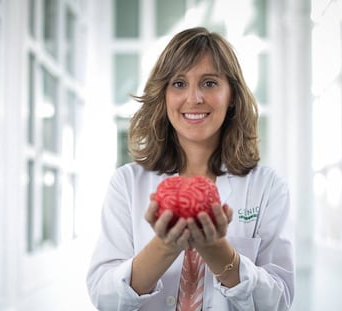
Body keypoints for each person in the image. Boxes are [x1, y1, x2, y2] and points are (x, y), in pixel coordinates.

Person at [86, 27, 294, 311]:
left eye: (209, 83)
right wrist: (164, 246)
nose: (194, 98)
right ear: (164, 94)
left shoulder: (268, 187)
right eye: (179, 83)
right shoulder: (126, 183)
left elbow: (279, 301)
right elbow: (104, 297)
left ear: (231, 94)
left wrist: (217, 251)